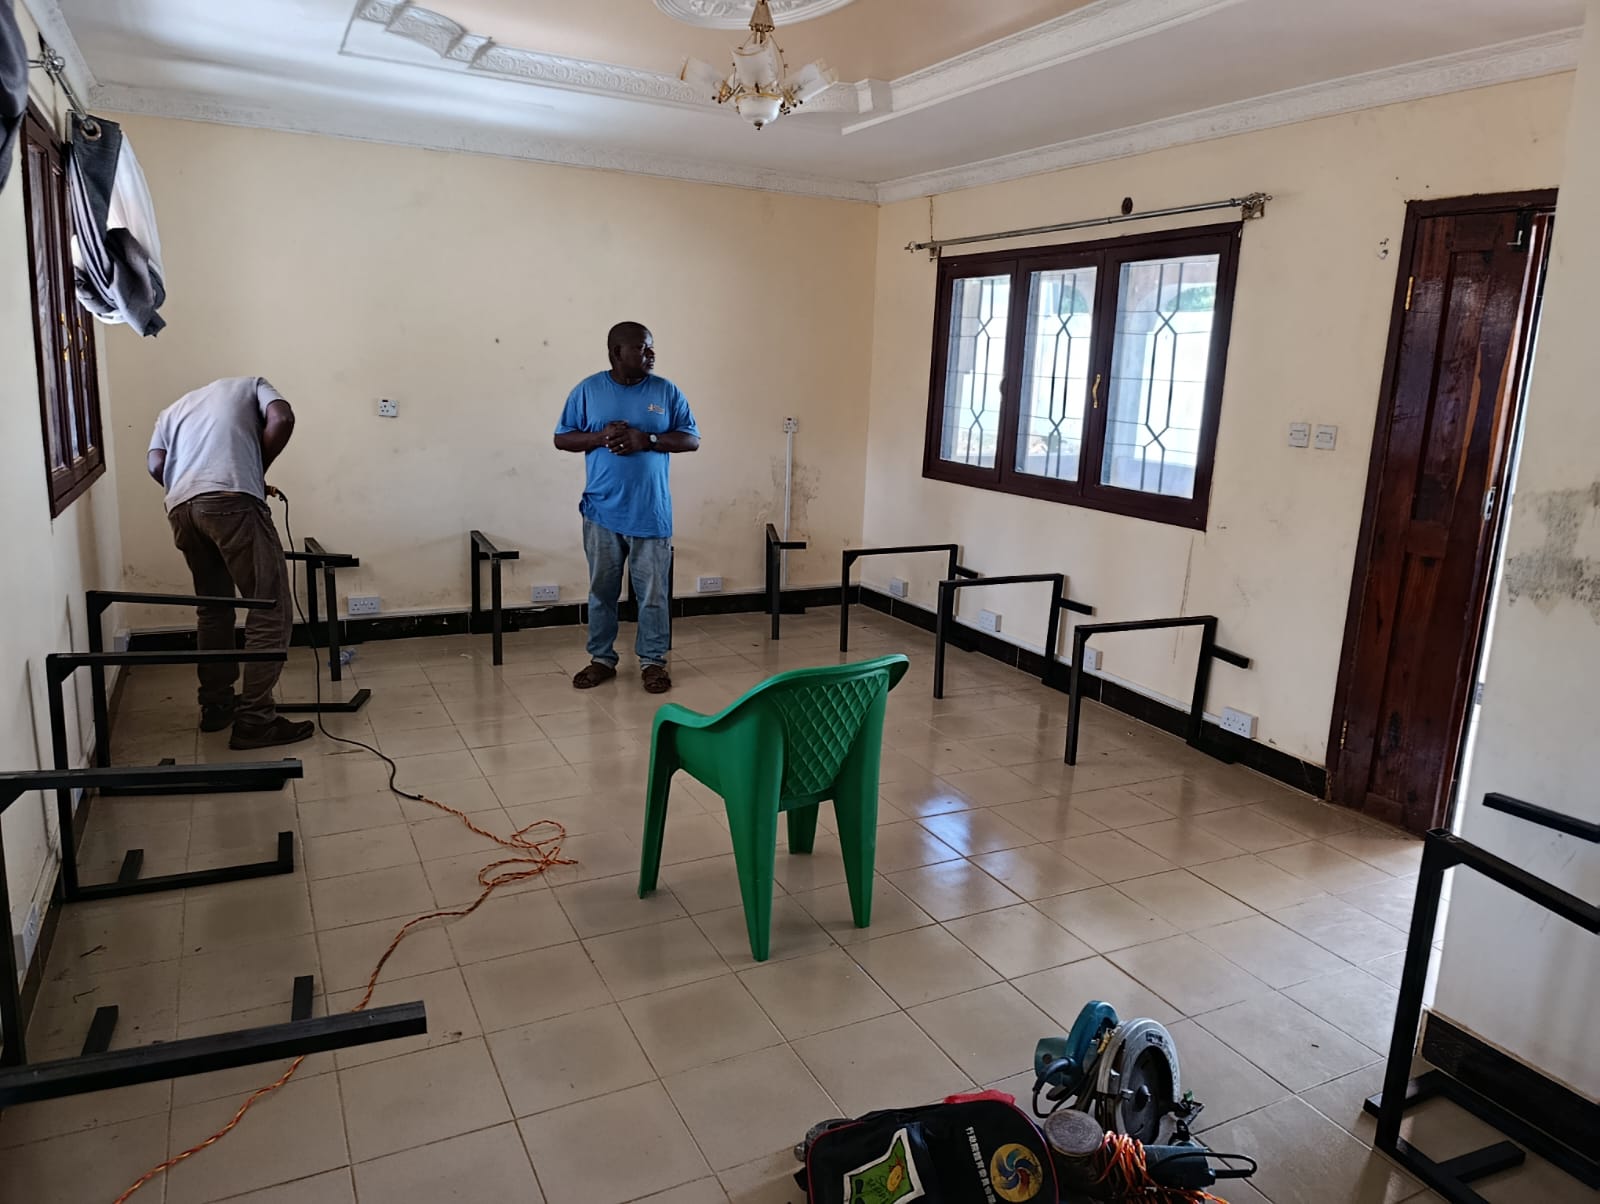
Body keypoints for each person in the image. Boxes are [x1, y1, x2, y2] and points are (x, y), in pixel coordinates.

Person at [146, 377, 314, 749]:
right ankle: (256, 720)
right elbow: (282, 418)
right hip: (231, 499)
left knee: (214, 608)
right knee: (270, 607)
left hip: (182, 508)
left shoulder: (172, 411)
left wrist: (193, 482)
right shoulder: (252, 385)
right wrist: (254, 469)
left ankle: (217, 705)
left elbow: (156, 464)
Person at [555, 322, 700, 694]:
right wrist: (600, 436)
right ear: (616, 353)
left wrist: (647, 439)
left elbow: (691, 439)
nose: (651, 354)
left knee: (652, 593)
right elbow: (562, 438)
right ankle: (601, 659)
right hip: (601, 511)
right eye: (642, 348)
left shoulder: (666, 391)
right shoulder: (588, 390)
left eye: (651, 347)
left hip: (651, 512)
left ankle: (652, 662)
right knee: (602, 591)